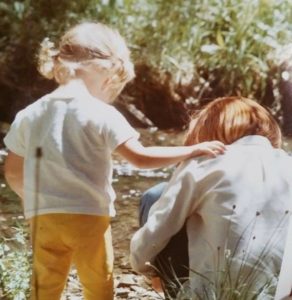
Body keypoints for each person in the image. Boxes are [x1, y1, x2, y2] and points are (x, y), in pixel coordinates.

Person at [3, 22, 225, 300]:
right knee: (98, 282)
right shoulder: (101, 113)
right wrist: (192, 150)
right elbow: (140, 158)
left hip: (44, 216)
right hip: (88, 217)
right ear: (105, 69)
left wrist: (33, 199)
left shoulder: (29, 114)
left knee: (45, 285)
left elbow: (12, 172)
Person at [130, 96, 292, 299]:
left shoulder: (203, 164)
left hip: (211, 294)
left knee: (155, 196)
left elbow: (153, 236)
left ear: (209, 132)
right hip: (278, 294)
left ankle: (167, 285)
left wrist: (143, 266)